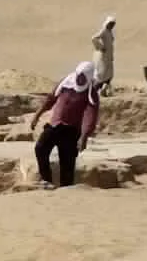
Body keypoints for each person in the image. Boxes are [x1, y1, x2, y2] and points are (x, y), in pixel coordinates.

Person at [27, 61, 101, 189]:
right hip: (54, 126)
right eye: (79, 75)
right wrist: (36, 116)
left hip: (71, 132)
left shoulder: (91, 93)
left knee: (67, 164)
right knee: (40, 149)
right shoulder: (65, 82)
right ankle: (46, 180)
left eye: (84, 77)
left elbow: (90, 117)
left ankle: (65, 191)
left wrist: (83, 138)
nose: (80, 79)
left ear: (89, 77)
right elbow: (50, 100)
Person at [92, 16, 117, 91]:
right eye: (111, 24)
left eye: (113, 24)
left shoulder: (109, 32)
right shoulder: (104, 30)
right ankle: (94, 90)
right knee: (102, 75)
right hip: (102, 57)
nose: (112, 25)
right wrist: (101, 47)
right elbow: (94, 38)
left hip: (108, 57)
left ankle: (104, 90)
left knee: (110, 74)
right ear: (107, 23)